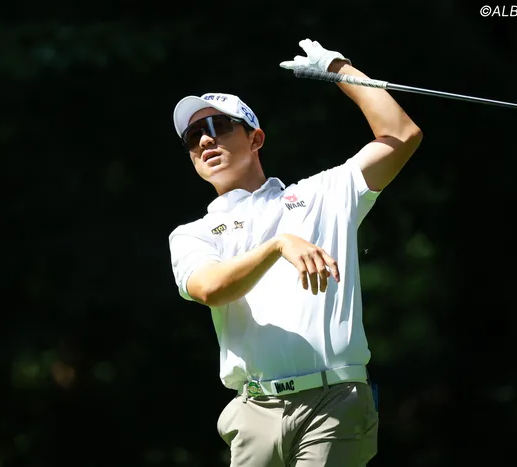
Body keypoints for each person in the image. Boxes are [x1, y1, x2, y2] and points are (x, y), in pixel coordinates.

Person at [167, 39, 422, 466]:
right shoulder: (192, 234)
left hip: (333, 402)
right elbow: (210, 288)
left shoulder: (321, 195)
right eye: (194, 137)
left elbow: (402, 135)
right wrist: (278, 245)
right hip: (253, 412)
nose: (206, 140)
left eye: (219, 127)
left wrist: (339, 70)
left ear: (256, 138)